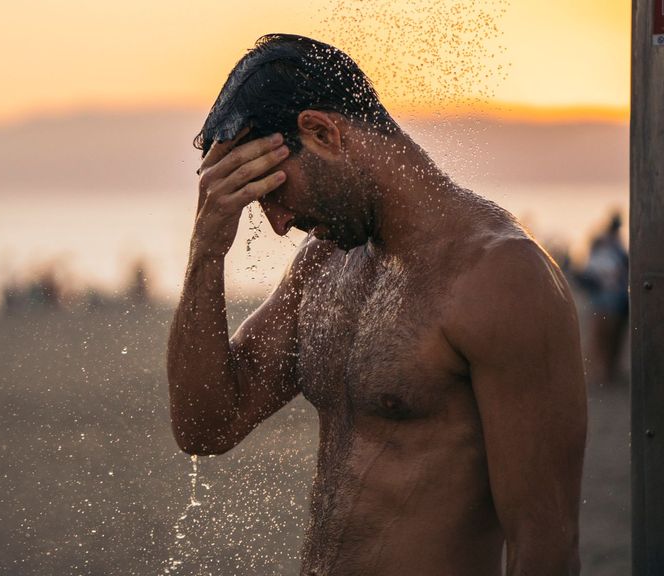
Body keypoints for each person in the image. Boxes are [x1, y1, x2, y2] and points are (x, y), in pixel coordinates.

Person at [167, 34, 586, 575]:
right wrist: (206, 252)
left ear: (322, 133)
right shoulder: (323, 266)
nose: (277, 222)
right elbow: (207, 426)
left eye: (272, 190)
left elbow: (544, 546)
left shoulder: (500, 277)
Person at [576, 212, 629, 386]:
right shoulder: (613, 247)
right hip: (611, 298)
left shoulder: (606, 246)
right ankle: (604, 372)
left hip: (606, 298)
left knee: (605, 336)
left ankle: (604, 372)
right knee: (607, 336)